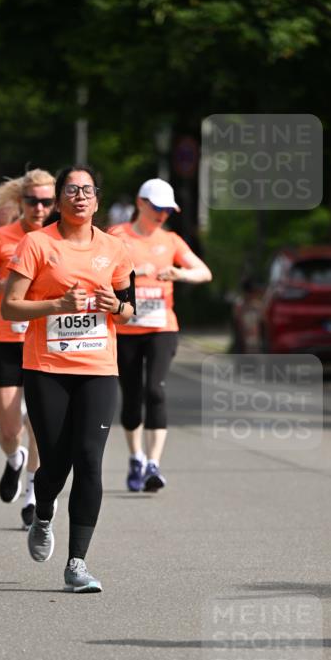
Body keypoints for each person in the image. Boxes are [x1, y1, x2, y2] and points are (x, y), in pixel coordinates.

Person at [2, 165, 134, 593]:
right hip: (48, 368)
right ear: (59, 200)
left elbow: (129, 309)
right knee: (56, 462)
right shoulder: (37, 244)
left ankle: (77, 563)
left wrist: (116, 306)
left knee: (90, 459)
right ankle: (43, 514)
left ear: (97, 200)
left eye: (87, 190)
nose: (80, 196)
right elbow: (10, 307)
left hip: (98, 368)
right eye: (71, 190)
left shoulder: (114, 248)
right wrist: (58, 305)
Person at [109, 178, 212, 491]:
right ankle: (136, 457)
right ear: (140, 203)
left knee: (155, 390)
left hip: (162, 327)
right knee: (132, 396)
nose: (163, 215)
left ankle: (153, 465)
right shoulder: (117, 236)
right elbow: (96, 274)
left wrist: (180, 273)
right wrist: (131, 274)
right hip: (126, 329)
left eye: (168, 210)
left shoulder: (171, 240)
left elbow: (204, 272)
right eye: (158, 208)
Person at [0, 169, 56, 529]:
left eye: (47, 201)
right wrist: (7, 283)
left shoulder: (60, 239)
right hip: (7, 339)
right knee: (11, 429)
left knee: (40, 424)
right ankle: (15, 459)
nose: (39, 208)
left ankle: (32, 495)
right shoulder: (0, 239)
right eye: (32, 201)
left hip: (45, 340)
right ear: (20, 201)